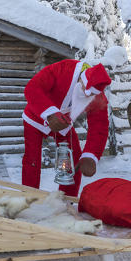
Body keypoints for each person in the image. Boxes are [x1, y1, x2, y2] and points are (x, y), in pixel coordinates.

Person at [21, 59, 111, 197]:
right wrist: (50, 114)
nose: (88, 96)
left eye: (91, 95)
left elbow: (100, 126)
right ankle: (28, 197)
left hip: (63, 124)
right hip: (36, 116)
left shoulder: (98, 96)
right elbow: (32, 88)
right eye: (85, 91)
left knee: (75, 159)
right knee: (32, 160)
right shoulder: (63, 69)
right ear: (81, 80)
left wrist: (91, 156)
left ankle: (66, 199)